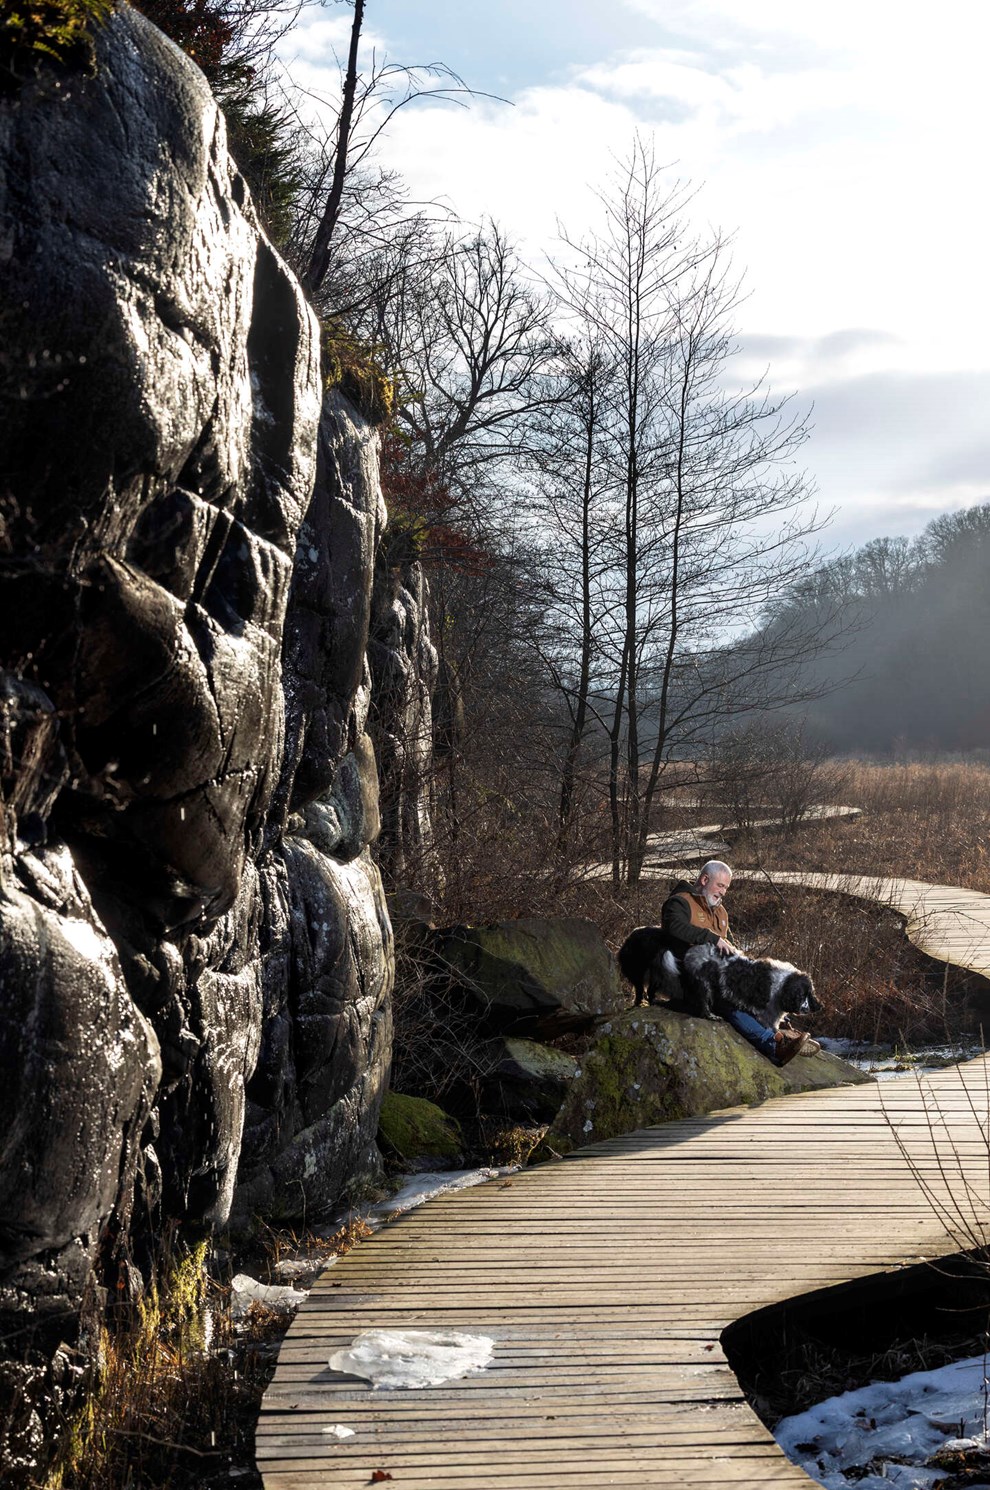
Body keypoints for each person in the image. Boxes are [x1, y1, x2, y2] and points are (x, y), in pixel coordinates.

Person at [660, 860, 820, 1066]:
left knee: (751, 989)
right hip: (688, 977)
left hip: (721, 976)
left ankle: (781, 1029)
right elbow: (674, 928)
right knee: (728, 1002)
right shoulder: (680, 902)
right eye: (720, 885)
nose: (723, 892)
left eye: (726, 887)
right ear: (704, 879)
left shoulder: (720, 912)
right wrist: (712, 938)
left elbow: (733, 950)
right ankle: (772, 1045)